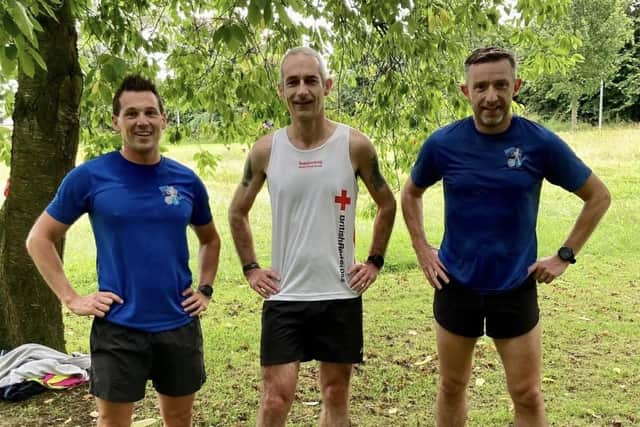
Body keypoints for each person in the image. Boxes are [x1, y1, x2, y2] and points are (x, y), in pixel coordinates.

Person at [401, 47, 611, 426]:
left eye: (500, 85)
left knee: (527, 395)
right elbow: (410, 192)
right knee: (451, 386)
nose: (491, 96)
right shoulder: (443, 144)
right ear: (466, 91)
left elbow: (598, 196)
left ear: (516, 86)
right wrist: (422, 249)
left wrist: (564, 255)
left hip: (515, 284)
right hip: (455, 283)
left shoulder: (539, 143)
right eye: (480, 87)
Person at [26, 75, 221, 427]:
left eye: (150, 112)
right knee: (113, 421)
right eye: (131, 114)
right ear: (115, 121)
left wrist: (205, 289)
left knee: (179, 418)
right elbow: (39, 238)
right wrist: (71, 299)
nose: (141, 121)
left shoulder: (186, 180)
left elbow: (210, 239)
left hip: (178, 324)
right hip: (118, 327)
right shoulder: (90, 177)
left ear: (164, 118)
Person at [228, 46, 396, 427]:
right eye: (293, 82)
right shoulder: (266, 150)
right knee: (275, 398)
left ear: (327, 86)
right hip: (285, 294)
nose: (302, 90)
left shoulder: (355, 145)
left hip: (339, 292)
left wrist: (374, 261)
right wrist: (252, 269)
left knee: (336, 396)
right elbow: (237, 212)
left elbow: (387, 204)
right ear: (281, 90)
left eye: (311, 80)